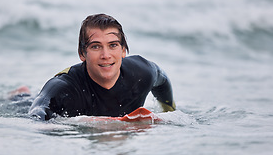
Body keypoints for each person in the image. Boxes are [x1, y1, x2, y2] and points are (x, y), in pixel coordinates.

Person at [29, 13, 175, 120]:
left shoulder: (142, 73)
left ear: (123, 50)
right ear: (82, 54)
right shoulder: (64, 88)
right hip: (29, 102)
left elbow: (162, 79)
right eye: (96, 47)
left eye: (113, 45)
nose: (106, 55)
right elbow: (37, 113)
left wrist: (169, 111)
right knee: (24, 98)